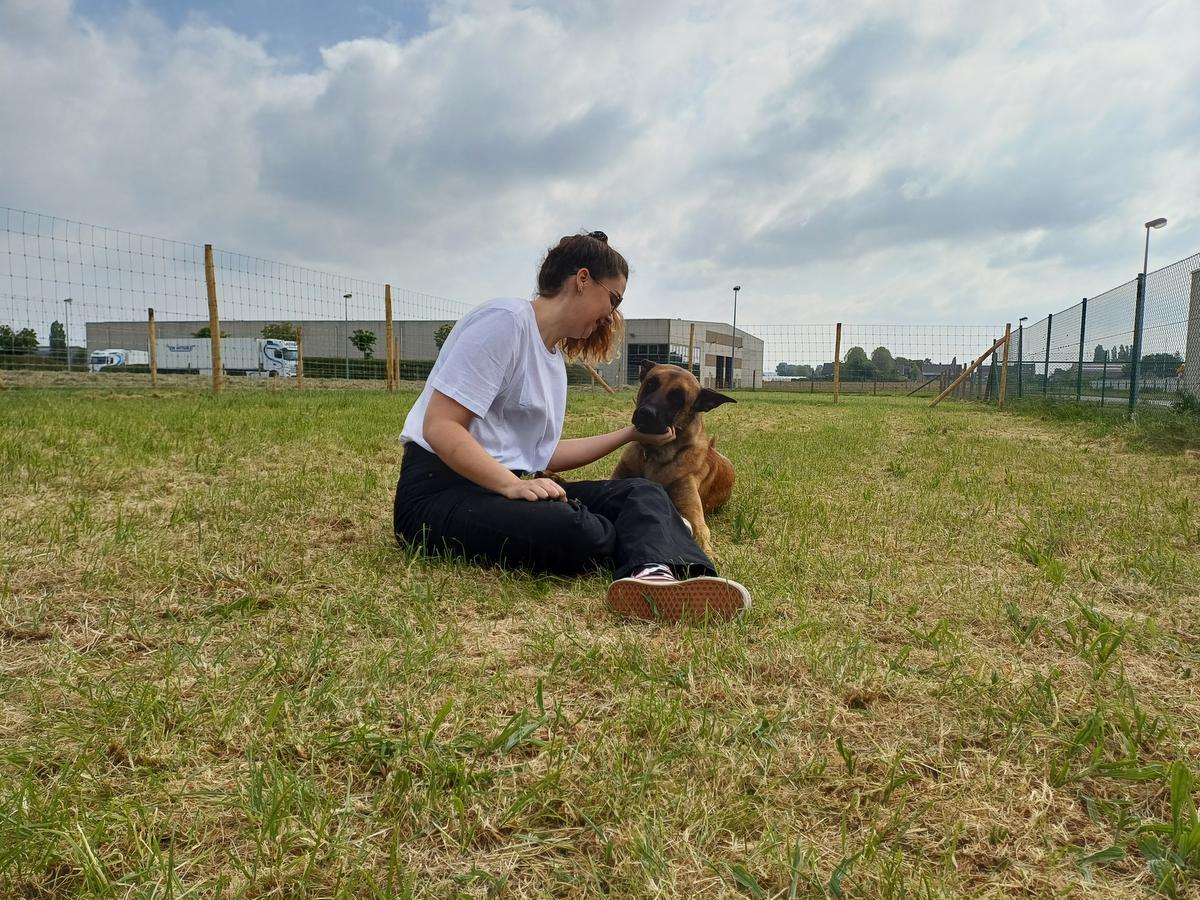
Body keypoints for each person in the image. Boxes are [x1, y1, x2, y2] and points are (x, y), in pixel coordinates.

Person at [393, 231, 751, 622]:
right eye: (613, 299)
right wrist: (511, 483)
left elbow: (542, 454)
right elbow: (441, 426)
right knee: (577, 530)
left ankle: (663, 576)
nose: (611, 316)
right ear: (582, 280)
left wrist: (629, 435)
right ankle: (653, 543)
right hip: (439, 493)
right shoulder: (505, 322)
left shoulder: (552, 362)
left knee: (644, 493)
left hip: (504, 486)